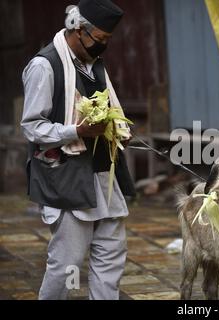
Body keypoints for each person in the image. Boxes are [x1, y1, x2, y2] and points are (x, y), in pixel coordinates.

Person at [21, 0, 135, 300]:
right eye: (98, 40)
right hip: (67, 178)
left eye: (107, 42)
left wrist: (115, 128)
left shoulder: (93, 65)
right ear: (77, 28)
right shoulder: (45, 66)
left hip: (103, 177)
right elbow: (32, 127)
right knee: (66, 265)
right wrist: (77, 131)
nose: (102, 48)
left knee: (110, 258)